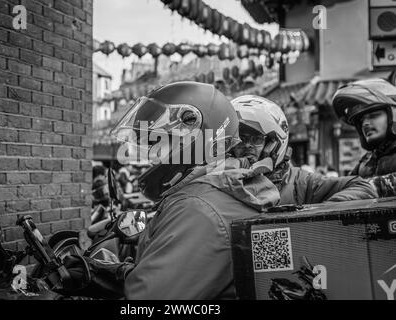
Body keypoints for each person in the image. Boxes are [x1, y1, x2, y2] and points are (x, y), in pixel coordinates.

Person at [63, 81, 281, 299]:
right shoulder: (216, 192)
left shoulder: (198, 209)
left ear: (196, 141)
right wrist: (123, 269)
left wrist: (112, 276)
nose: (152, 155)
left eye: (159, 143)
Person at [228, 95, 377, 205]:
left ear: (273, 145)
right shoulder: (219, 181)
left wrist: (324, 211)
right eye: (240, 139)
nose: (246, 145)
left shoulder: (301, 183)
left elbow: (362, 187)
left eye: (256, 139)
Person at [332, 78, 396, 197]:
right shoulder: (365, 162)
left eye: (373, 116)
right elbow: (343, 185)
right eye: (361, 120)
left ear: (393, 115)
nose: (365, 124)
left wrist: (366, 187)